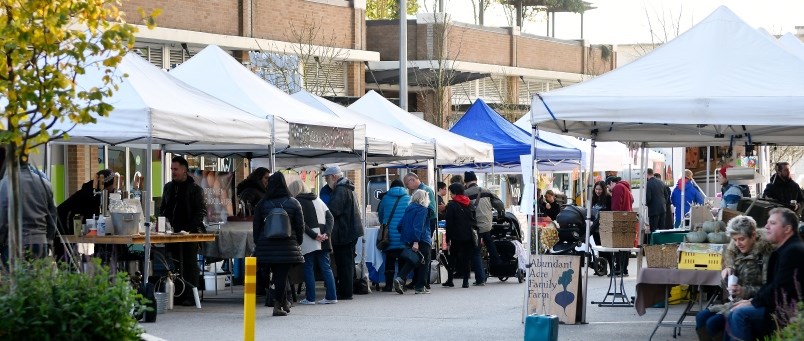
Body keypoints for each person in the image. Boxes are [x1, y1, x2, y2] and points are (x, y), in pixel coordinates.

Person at [726, 208, 804, 340]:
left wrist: (753, 302)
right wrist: (752, 301)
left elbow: (779, 288)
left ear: (787, 229)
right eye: (767, 222)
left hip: (789, 311)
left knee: (739, 314)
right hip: (778, 305)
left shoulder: (793, 251)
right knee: (732, 313)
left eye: (772, 223)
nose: (766, 226)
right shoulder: (786, 249)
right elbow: (773, 286)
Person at [694, 215, 773, 341]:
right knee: (701, 317)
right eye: (734, 240)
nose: (738, 244)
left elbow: (769, 289)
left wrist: (744, 290)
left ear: (753, 235)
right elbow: (728, 270)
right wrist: (727, 270)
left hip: (754, 302)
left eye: (741, 239)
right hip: (735, 301)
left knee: (712, 323)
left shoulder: (765, 255)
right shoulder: (734, 252)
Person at [252, 172, 305, 316]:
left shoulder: (262, 204)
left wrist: (259, 243)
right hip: (287, 246)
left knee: (277, 276)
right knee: (281, 275)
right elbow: (300, 226)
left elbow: (256, 227)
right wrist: (297, 242)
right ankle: (278, 305)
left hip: (266, 246)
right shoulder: (294, 203)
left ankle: (283, 303)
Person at [159, 156, 206, 306]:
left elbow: (200, 211)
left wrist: (191, 229)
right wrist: (163, 225)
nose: (173, 172)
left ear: (185, 170)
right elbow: (163, 209)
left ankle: (191, 295)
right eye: (172, 169)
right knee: (173, 263)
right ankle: (177, 294)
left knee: (189, 264)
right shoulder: (168, 187)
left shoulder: (195, 189)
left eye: (176, 169)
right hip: (171, 233)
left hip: (189, 233)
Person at [288, 179, 337, 306]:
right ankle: (332, 296)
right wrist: (326, 233)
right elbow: (330, 217)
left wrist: (314, 236)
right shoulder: (318, 199)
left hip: (309, 239)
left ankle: (310, 298)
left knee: (308, 267)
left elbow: (301, 223)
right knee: (326, 267)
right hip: (324, 238)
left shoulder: (296, 202)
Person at [0, 162, 58, 261]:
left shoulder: (5, 184)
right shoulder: (45, 184)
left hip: (13, 244)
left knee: (14, 276)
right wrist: (48, 240)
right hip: (39, 242)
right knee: (37, 276)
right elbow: (52, 217)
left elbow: (2, 219)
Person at [322, 166, 364, 300]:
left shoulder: (340, 189)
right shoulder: (348, 187)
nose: (327, 181)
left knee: (344, 264)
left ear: (334, 176)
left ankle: (346, 292)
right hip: (351, 230)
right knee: (348, 263)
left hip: (344, 232)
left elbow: (334, 211)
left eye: (327, 178)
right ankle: (347, 290)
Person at [56, 169, 115, 261]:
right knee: (67, 260)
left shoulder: (96, 193)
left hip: (72, 225)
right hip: (64, 224)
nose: (113, 189)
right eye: (112, 186)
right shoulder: (90, 195)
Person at [464, 171, 505, 283]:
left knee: (476, 252)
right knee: (489, 242)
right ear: (476, 180)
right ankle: (498, 261)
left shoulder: (465, 193)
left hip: (475, 227)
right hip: (487, 224)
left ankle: (480, 279)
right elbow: (500, 205)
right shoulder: (486, 191)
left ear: (466, 182)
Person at [392, 190, 433, 295]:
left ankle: (400, 278)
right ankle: (420, 287)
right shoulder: (423, 209)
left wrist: (408, 238)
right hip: (422, 239)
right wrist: (416, 241)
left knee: (412, 261)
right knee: (424, 263)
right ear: (425, 199)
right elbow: (418, 226)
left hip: (410, 240)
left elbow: (400, 226)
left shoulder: (409, 209)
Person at [403, 172, 438, 288]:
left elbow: (431, 210)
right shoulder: (421, 190)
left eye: (407, 184)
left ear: (412, 180)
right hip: (423, 225)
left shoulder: (425, 190)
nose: (406, 187)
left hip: (425, 225)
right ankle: (418, 281)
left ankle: (423, 282)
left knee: (424, 254)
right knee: (420, 254)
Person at [376, 179, 410, 292]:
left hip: (389, 234)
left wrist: (384, 223)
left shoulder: (385, 198)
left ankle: (388, 285)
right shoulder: (408, 198)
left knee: (389, 261)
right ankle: (401, 284)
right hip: (403, 233)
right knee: (402, 260)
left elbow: (380, 215)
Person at [444, 183, 479, 288]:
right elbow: (474, 220)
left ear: (454, 193)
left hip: (456, 236)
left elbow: (449, 223)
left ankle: (450, 280)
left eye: (451, 193)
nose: (450, 195)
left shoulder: (451, 205)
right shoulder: (469, 203)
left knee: (453, 258)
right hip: (468, 235)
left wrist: (448, 237)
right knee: (466, 258)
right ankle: (465, 282)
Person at [606, 176, 634, 275]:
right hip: (628, 218)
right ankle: (624, 268)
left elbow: (616, 207)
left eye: (608, 187)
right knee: (625, 246)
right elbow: (632, 200)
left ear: (611, 183)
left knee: (618, 245)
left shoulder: (618, 188)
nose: (609, 189)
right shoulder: (626, 187)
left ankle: (619, 268)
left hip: (620, 220)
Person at [590, 181, 613, 275]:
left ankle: (612, 268)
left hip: (604, 227)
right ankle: (603, 268)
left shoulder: (608, 198)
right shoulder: (594, 198)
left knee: (606, 248)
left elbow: (610, 211)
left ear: (604, 189)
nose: (598, 191)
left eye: (600, 189)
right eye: (596, 189)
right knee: (599, 248)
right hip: (595, 228)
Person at [645, 168, 667, 232]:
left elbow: (648, 197)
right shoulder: (661, 182)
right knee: (662, 229)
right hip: (662, 208)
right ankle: (662, 241)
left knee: (653, 229)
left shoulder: (648, 184)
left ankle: (654, 242)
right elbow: (666, 195)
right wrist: (664, 202)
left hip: (653, 210)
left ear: (647, 174)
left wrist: (646, 204)